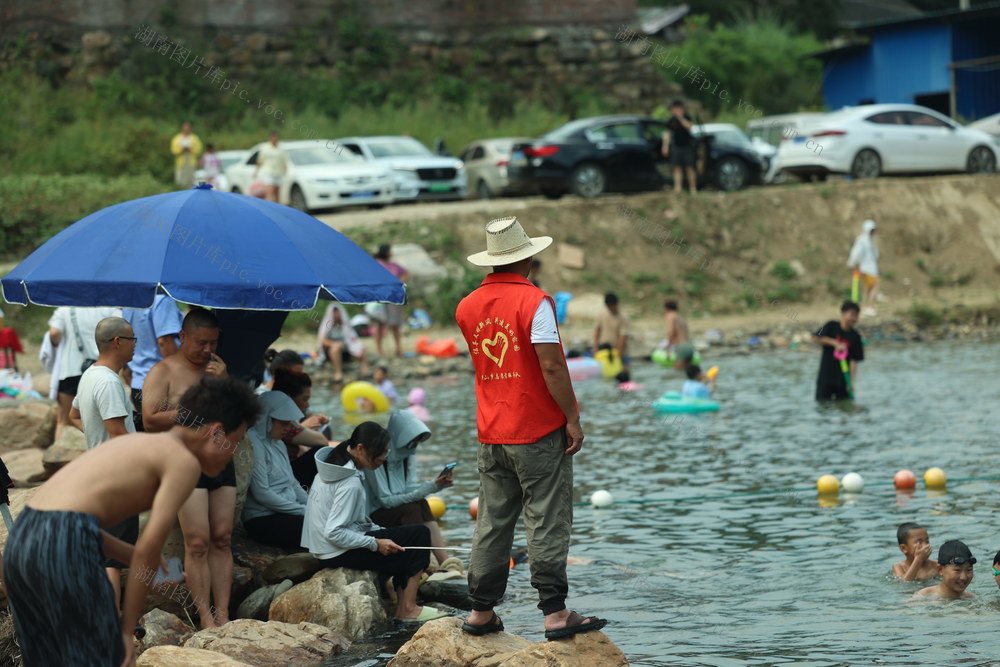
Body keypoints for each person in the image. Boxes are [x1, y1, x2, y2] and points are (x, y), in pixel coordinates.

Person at [3, 377, 258, 667]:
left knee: (47, 658)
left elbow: (67, 521)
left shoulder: (135, 443)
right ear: (215, 432)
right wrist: (126, 632)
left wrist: (128, 553)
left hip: (21, 541)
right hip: (65, 543)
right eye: (234, 443)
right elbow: (146, 547)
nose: (231, 457)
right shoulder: (183, 462)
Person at [455, 216, 608, 640]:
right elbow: (552, 365)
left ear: (490, 261)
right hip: (536, 430)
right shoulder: (535, 302)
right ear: (529, 258)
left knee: (492, 521)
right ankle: (556, 614)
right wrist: (572, 418)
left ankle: (481, 613)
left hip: (491, 430)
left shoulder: (466, 306)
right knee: (546, 520)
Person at [141, 307, 233, 628]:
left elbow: (237, 415)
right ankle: (206, 618)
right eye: (201, 343)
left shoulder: (218, 370)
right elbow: (150, 419)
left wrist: (223, 386)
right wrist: (196, 410)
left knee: (222, 537)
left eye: (214, 343)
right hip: (183, 461)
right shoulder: (162, 371)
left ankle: (224, 614)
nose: (208, 350)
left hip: (220, 457)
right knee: (198, 542)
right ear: (182, 336)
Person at [301, 421, 448, 622]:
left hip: (324, 548)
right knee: (420, 534)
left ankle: (401, 603)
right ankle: (408, 609)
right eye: (381, 453)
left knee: (404, 538)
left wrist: (381, 532)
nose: (383, 459)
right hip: (334, 550)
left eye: (387, 452)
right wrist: (374, 543)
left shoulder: (334, 464)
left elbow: (352, 522)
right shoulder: (349, 482)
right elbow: (333, 532)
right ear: (360, 448)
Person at [67, 316, 138, 611]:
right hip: (117, 478)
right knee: (113, 560)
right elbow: (119, 435)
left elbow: (73, 416)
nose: (136, 346)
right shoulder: (109, 382)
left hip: (101, 474)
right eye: (133, 340)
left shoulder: (90, 375)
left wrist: (96, 440)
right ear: (119, 342)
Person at [362, 410, 453, 566]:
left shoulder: (408, 455)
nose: (414, 447)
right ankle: (417, 564)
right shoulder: (376, 457)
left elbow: (409, 488)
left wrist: (435, 486)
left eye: (417, 443)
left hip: (393, 510)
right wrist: (425, 489)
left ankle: (446, 563)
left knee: (421, 504)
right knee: (412, 508)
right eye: (411, 442)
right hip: (373, 515)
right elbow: (386, 501)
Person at [243, 391, 309, 552]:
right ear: (266, 419)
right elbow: (262, 493)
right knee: (317, 529)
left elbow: (292, 483)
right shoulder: (253, 442)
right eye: (284, 423)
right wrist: (302, 510)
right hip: (262, 519)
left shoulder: (278, 443)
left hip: (287, 510)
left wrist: (312, 506)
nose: (289, 428)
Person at [48, 306, 119, 441]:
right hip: (100, 370)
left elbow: (54, 333)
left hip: (70, 369)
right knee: (102, 421)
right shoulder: (108, 307)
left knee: (64, 421)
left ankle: (58, 459)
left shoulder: (65, 308)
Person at [122, 294, 184, 431]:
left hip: (138, 384)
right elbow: (165, 341)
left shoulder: (131, 301)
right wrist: (180, 378)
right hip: (160, 386)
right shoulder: (162, 301)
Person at [272, 367, 334, 489]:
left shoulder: (285, 421)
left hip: (286, 477)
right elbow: (322, 441)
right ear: (289, 398)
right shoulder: (282, 422)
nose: (307, 405)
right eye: (304, 399)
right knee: (322, 453)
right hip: (282, 478)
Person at [811, 301, 864, 401]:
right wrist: (835, 343)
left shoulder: (856, 336)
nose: (855, 318)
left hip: (843, 381)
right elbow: (815, 337)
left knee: (844, 409)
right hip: (825, 379)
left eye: (857, 315)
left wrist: (851, 383)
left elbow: (854, 361)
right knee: (823, 407)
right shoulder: (830, 325)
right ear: (843, 314)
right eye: (852, 314)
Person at [317, 302, 369, 382]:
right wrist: (335, 344)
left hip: (346, 350)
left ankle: (364, 370)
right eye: (335, 313)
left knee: (362, 348)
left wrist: (357, 348)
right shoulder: (328, 326)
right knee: (335, 349)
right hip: (332, 351)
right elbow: (323, 340)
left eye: (338, 312)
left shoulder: (345, 326)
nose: (337, 315)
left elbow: (353, 339)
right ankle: (338, 372)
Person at [373, 244, 408, 357]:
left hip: (393, 298)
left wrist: (399, 284)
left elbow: (406, 273)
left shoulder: (394, 265)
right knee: (379, 324)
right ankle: (379, 350)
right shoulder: (377, 264)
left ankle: (398, 349)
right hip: (380, 298)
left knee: (395, 324)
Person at [661, 100, 697, 195]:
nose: (676, 110)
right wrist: (665, 146)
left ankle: (693, 189)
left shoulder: (687, 117)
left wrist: (681, 118)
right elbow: (667, 133)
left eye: (678, 108)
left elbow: (690, 127)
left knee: (690, 167)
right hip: (676, 147)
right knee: (677, 168)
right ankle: (678, 189)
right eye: (674, 109)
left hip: (687, 147)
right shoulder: (671, 120)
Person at [847, 219, 880, 317]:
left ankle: (865, 306)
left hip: (870, 268)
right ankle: (868, 306)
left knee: (868, 287)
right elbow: (856, 253)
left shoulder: (870, 240)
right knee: (875, 286)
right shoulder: (862, 240)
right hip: (867, 268)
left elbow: (875, 254)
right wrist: (853, 263)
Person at [593, 293, 629, 369]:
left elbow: (623, 337)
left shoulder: (622, 317)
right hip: (605, 351)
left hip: (621, 353)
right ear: (607, 306)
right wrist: (595, 348)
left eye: (614, 305)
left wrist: (618, 354)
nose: (612, 308)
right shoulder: (602, 314)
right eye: (610, 306)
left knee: (624, 375)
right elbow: (597, 331)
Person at [254, 131, 288, 203]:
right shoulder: (265, 148)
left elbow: (284, 162)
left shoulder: (281, 149)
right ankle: (269, 208)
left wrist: (285, 172)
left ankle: (277, 209)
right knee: (269, 191)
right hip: (268, 172)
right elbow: (260, 161)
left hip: (279, 172)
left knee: (277, 192)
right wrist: (256, 172)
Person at [663, 300, 694, 370]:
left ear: (667, 308)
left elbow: (671, 332)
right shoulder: (680, 318)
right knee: (688, 372)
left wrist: (668, 350)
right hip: (689, 347)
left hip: (682, 347)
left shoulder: (670, 316)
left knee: (676, 372)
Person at [171, 121, 204, 188]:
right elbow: (173, 150)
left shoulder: (195, 138)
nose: (186, 131)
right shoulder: (177, 138)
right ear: (182, 129)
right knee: (180, 181)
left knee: (190, 181)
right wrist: (181, 150)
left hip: (191, 163)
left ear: (190, 129)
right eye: (185, 129)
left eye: (187, 129)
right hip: (181, 163)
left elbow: (199, 150)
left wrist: (190, 149)